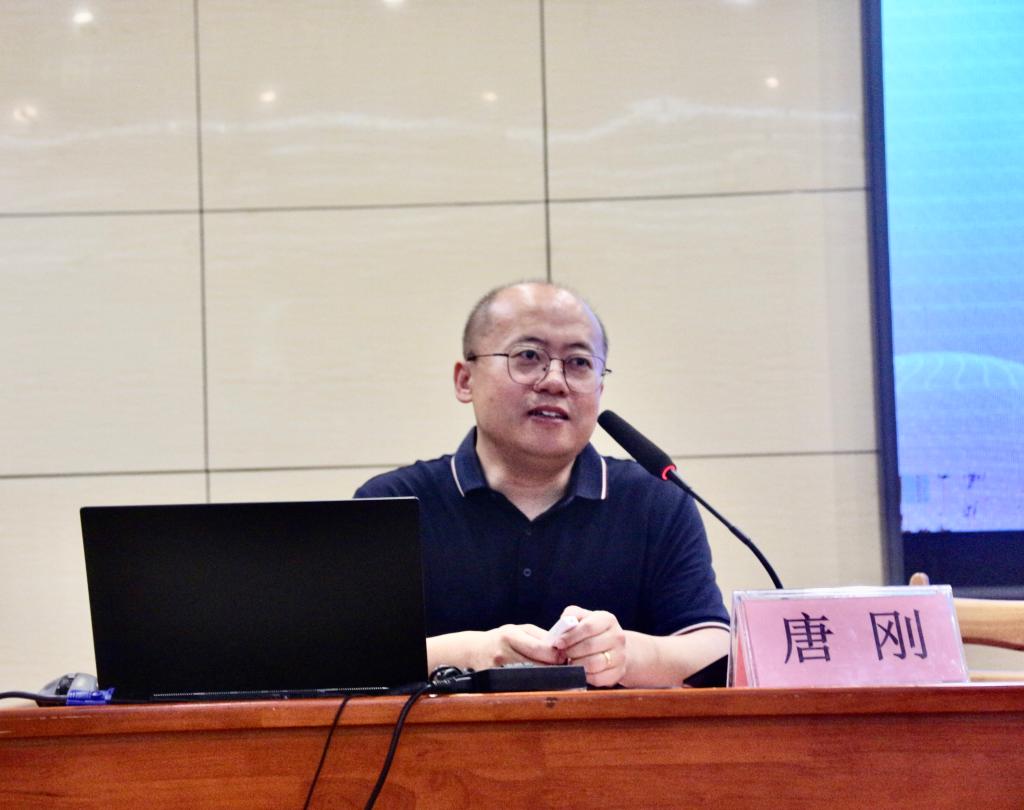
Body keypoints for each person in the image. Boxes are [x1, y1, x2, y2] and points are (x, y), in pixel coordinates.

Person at [355, 281, 729, 687]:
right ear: (465, 380)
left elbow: (715, 646)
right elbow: (346, 657)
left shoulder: (655, 501)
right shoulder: (391, 502)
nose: (555, 381)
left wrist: (627, 655)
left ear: (600, 388)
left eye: (579, 363)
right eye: (529, 356)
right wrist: (469, 653)